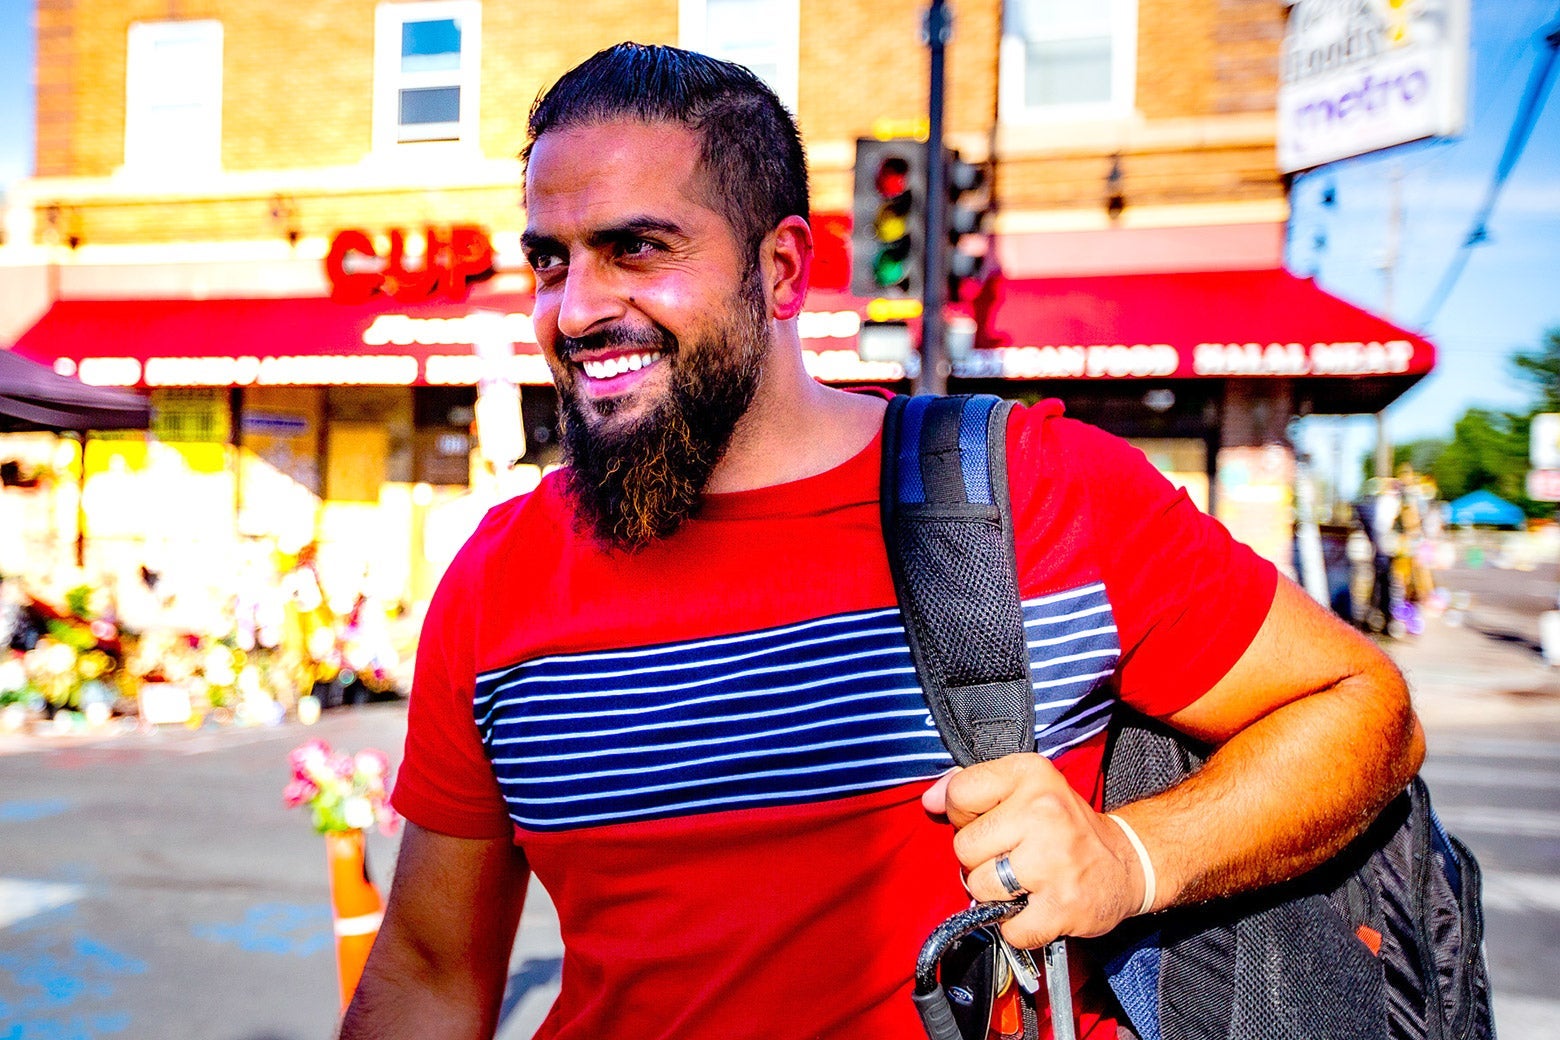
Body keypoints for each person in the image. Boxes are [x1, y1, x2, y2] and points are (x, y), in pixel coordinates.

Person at [339, 43, 1423, 1040]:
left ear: (781, 268)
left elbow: (1361, 705)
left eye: (636, 248)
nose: (576, 308)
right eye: (551, 260)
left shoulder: (1034, 484)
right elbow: (433, 970)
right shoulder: (498, 576)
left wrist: (1134, 855)